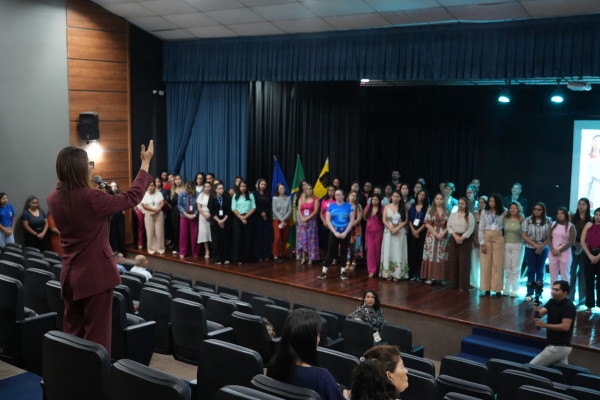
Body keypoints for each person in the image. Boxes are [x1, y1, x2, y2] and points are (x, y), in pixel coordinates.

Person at [46, 141, 154, 353]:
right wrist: (145, 164)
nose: (91, 167)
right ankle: (95, 374)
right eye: (89, 164)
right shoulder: (92, 197)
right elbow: (132, 197)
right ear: (80, 168)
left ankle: (72, 371)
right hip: (95, 275)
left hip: (69, 274)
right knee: (97, 336)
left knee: (73, 332)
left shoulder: (53, 198)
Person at [267, 309, 348, 400]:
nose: (319, 339)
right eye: (318, 335)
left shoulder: (273, 364)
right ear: (310, 340)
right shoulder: (321, 377)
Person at [530, 280, 577, 365]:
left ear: (565, 293)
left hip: (558, 347)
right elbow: (538, 315)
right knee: (562, 372)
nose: (553, 292)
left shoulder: (569, 307)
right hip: (557, 347)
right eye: (553, 289)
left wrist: (544, 325)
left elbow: (565, 327)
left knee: (531, 367)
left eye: (557, 290)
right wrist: (536, 307)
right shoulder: (552, 302)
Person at [318, 189, 355, 280]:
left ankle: (343, 272)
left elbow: (351, 220)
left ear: (343, 196)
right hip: (334, 232)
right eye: (336, 195)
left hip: (345, 233)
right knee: (330, 251)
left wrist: (345, 232)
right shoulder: (331, 206)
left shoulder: (349, 206)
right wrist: (335, 232)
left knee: (343, 251)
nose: (337, 196)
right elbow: (328, 220)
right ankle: (324, 272)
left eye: (339, 195)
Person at [522, 202, 551, 301]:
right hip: (530, 247)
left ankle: (538, 292)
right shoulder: (527, 220)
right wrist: (535, 245)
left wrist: (541, 246)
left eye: (539, 209)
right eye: (535, 209)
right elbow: (524, 235)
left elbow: (550, 236)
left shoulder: (548, 221)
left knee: (540, 270)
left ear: (543, 211)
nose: (537, 211)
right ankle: (529, 292)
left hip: (544, 247)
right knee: (531, 269)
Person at [479, 193, 506, 296]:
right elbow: (481, 228)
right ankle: (486, 288)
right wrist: (482, 243)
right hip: (487, 237)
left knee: (497, 264)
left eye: (493, 201)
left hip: (498, 237)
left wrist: (521, 216)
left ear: (498, 202)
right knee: (485, 264)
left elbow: (515, 213)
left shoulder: (504, 211)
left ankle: (497, 289)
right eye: (490, 201)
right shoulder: (484, 211)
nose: (491, 203)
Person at [447, 197, 475, 290]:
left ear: (466, 205)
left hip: (465, 239)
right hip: (454, 238)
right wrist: (455, 236)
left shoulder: (469, 215)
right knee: (453, 261)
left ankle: (463, 285)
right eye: (459, 203)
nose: (460, 205)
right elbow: (449, 226)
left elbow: (470, 228)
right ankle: (453, 284)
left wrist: (462, 237)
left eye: (462, 203)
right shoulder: (453, 214)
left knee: (464, 262)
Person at [421, 193, 449, 285]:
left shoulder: (447, 211)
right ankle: (429, 277)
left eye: (441, 199)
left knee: (441, 256)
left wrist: (443, 233)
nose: (439, 200)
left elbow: (449, 225)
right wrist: (436, 233)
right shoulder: (430, 210)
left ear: (443, 200)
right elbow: (427, 223)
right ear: (434, 200)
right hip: (431, 236)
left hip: (443, 236)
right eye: (437, 198)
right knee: (430, 255)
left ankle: (442, 278)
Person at [380, 191, 409, 281]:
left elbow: (405, 221)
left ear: (400, 198)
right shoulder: (386, 207)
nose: (395, 198)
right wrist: (391, 228)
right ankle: (387, 273)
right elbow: (384, 220)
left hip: (400, 232)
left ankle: (397, 274)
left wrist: (397, 229)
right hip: (388, 232)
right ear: (391, 197)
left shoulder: (403, 208)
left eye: (397, 196)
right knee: (388, 251)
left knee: (398, 251)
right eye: (394, 196)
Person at [570, 198, 591, 305]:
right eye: (579, 204)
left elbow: (591, 235)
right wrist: (575, 244)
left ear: (587, 206)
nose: (581, 206)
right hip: (572, 247)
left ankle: (582, 299)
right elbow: (569, 233)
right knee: (571, 272)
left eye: (583, 204)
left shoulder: (591, 219)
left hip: (585, 248)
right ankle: (570, 297)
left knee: (582, 274)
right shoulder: (572, 217)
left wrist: (582, 245)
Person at [580, 206, 600, 314]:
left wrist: (597, 257)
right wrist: (590, 255)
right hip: (589, 253)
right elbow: (583, 241)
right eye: (596, 214)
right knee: (589, 280)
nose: (597, 217)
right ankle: (589, 305)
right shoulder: (588, 224)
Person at [231, 179, 256, 264]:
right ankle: (236, 259)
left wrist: (245, 217)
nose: (243, 188)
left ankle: (245, 258)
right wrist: (241, 218)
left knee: (247, 239)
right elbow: (233, 208)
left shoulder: (250, 195)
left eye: (244, 186)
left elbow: (254, 207)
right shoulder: (235, 196)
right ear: (239, 187)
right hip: (237, 218)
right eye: (241, 186)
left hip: (248, 218)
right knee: (237, 238)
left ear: (246, 187)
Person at [548, 207, 575, 284]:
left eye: (562, 213)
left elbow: (571, 241)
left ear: (565, 214)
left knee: (565, 275)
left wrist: (559, 251)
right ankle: (553, 291)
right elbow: (549, 238)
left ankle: (565, 291)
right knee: (553, 276)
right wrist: (552, 249)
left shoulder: (570, 226)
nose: (559, 215)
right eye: (558, 213)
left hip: (565, 251)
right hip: (553, 251)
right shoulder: (553, 224)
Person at [503, 202, 525, 298]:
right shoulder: (505, 218)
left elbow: (524, 233)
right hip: (506, 244)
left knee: (515, 268)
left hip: (518, 244)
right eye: (511, 208)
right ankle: (506, 288)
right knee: (507, 268)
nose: (513, 210)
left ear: (518, 209)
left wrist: (520, 222)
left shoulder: (522, 219)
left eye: (515, 208)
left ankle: (514, 290)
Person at [208, 182, 231, 264]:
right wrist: (219, 221)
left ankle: (225, 258)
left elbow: (229, 210)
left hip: (225, 221)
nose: (221, 190)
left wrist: (223, 220)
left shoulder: (226, 197)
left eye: (222, 188)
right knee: (216, 240)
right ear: (215, 190)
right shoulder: (212, 198)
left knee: (225, 240)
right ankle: (216, 258)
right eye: (219, 188)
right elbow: (211, 211)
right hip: (215, 222)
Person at [407, 189, 428, 281]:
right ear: (417, 195)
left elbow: (426, 222)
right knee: (412, 252)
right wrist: (413, 230)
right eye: (420, 194)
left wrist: (418, 231)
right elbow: (409, 220)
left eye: (423, 195)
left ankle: (419, 274)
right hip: (412, 231)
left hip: (422, 231)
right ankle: (411, 274)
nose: (421, 196)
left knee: (420, 253)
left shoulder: (427, 208)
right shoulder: (412, 206)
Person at [297, 183, 320, 264]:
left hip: (312, 221)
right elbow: (299, 210)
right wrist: (303, 220)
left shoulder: (315, 199)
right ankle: (304, 257)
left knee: (311, 240)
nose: (309, 190)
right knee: (303, 240)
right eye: (307, 189)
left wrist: (306, 219)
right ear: (305, 190)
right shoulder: (301, 198)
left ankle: (311, 257)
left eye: (310, 189)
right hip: (302, 222)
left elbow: (315, 211)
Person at [140, 181, 165, 255]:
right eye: (149, 186)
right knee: (150, 233)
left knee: (159, 233)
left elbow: (162, 202)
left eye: (152, 185)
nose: (150, 187)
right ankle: (151, 249)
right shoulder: (145, 194)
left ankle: (160, 249)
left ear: (154, 186)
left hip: (159, 213)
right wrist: (154, 210)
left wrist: (158, 209)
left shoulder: (159, 193)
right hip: (149, 214)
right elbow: (144, 206)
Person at [364, 193, 384, 278]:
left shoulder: (382, 209)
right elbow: (365, 217)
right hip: (369, 232)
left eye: (376, 200)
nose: (374, 201)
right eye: (373, 199)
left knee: (378, 251)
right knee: (370, 251)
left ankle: (378, 269)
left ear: (379, 201)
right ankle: (371, 270)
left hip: (379, 232)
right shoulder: (368, 207)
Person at [178, 181, 200, 259]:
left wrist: (195, 214)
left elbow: (199, 206)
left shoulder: (198, 194)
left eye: (190, 189)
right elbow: (179, 205)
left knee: (195, 235)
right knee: (183, 235)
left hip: (194, 217)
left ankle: (195, 252)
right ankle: (183, 251)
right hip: (184, 216)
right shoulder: (181, 194)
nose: (188, 190)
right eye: (187, 188)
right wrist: (186, 214)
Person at [253, 178, 272, 261]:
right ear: (258, 185)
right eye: (262, 184)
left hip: (267, 217)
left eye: (265, 184)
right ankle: (259, 255)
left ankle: (267, 254)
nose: (263, 186)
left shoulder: (267, 194)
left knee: (266, 236)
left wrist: (265, 213)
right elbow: (254, 205)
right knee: (259, 236)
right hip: (257, 217)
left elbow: (270, 206)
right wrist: (261, 212)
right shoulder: (254, 194)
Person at [272, 183, 291, 263]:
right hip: (277, 220)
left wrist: (284, 219)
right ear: (278, 190)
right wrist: (281, 219)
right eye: (281, 188)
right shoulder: (275, 198)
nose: (283, 189)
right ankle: (275, 255)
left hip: (286, 220)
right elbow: (274, 210)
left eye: (283, 188)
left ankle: (282, 253)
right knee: (277, 237)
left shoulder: (288, 198)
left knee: (284, 237)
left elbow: (289, 210)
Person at [168, 175, 185, 255]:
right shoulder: (171, 190)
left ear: (181, 180)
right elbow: (170, 203)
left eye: (179, 179)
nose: (177, 180)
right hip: (174, 212)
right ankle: (177, 247)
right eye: (176, 179)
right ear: (174, 181)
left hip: (184, 212)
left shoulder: (185, 189)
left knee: (183, 230)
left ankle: (184, 247)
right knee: (176, 230)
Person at [347, 191, 363, 269]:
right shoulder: (344, 205)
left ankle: (354, 261)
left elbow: (359, 218)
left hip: (356, 228)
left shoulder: (358, 206)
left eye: (355, 196)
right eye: (352, 195)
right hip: (346, 228)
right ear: (348, 196)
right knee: (347, 244)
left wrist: (351, 225)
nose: (353, 197)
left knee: (356, 245)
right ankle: (347, 260)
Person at [196, 181, 213, 259]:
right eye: (206, 187)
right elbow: (199, 207)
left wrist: (211, 215)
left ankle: (214, 250)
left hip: (212, 216)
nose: (207, 188)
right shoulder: (201, 195)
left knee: (212, 233)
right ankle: (207, 250)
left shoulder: (213, 195)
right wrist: (205, 215)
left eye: (209, 186)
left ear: (211, 187)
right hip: (203, 216)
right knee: (204, 233)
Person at [108, 182, 126, 254]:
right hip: (112, 217)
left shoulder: (120, 195)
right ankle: (114, 252)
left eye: (115, 186)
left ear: (117, 188)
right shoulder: (108, 196)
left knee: (121, 234)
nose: (114, 187)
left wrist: (123, 211)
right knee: (113, 235)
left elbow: (123, 205)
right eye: (112, 186)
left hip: (120, 217)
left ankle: (122, 252)